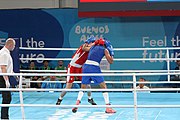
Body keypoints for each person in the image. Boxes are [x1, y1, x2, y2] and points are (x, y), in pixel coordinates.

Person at [56, 37, 104, 106]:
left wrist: (98, 43)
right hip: (72, 67)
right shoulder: (83, 47)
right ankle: (59, 99)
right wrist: (95, 43)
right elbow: (86, 48)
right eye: (90, 43)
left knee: (87, 84)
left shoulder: (91, 49)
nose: (88, 44)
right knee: (68, 87)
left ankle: (90, 98)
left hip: (80, 68)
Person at [72, 39, 116, 113]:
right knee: (103, 86)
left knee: (83, 87)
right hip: (94, 67)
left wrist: (87, 42)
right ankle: (108, 107)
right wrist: (112, 53)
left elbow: (83, 48)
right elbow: (111, 61)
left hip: (85, 66)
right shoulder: (105, 50)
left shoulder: (93, 46)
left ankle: (77, 102)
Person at [0, 38, 16, 119]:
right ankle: (4, 117)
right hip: (2, 77)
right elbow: (3, 67)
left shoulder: (6, 52)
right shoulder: (4, 53)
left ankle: (4, 117)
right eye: (14, 45)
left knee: (7, 97)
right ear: (10, 45)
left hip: (3, 76)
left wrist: (13, 74)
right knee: (7, 98)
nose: (14, 47)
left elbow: (7, 66)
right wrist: (6, 80)